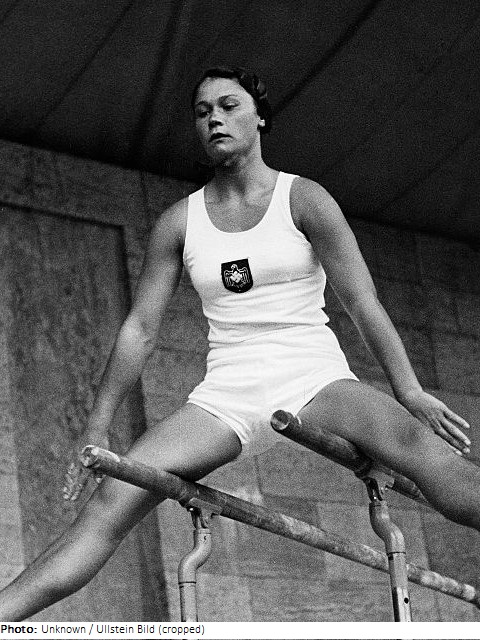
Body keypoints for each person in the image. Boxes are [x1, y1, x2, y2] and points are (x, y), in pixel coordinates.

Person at [0, 66, 477, 621]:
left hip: (313, 374)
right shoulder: (179, 223)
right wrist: (97, 426)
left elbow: (361, 301)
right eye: (203, 112)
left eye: (228, 106)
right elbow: (140, 329)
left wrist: (409, 390)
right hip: (226, 392)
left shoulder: (304, 199)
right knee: (114, 498)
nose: (215, 119)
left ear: (260, 118)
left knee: (422, 451)